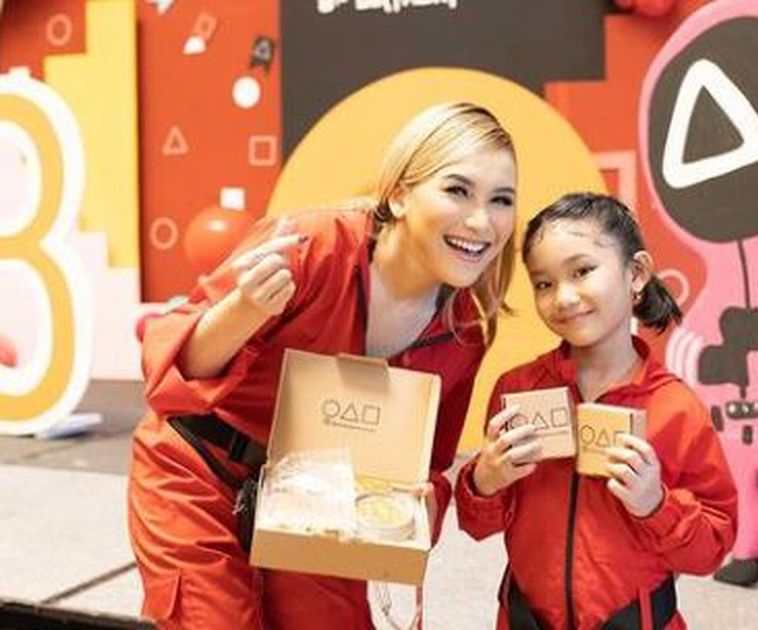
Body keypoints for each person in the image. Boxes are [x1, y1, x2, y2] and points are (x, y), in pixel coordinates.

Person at [128, 102, 518, 629]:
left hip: (322, 506)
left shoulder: (464, 330)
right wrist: (247, 308)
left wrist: (420, 509)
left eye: (501, 200)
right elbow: (174, 376)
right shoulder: (309, 245)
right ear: (399, 194)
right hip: (201, 478)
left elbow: (427, 465)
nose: (481, 221)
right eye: (457, 190)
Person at [455, 192, 737, 629]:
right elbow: (476, 524)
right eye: (544, 284)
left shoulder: (677, 409)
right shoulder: (517, 389)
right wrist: (484, 481)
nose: (563, 297)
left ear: (636, 274)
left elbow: (711, 549)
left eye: (582, 271)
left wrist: (656, 504)